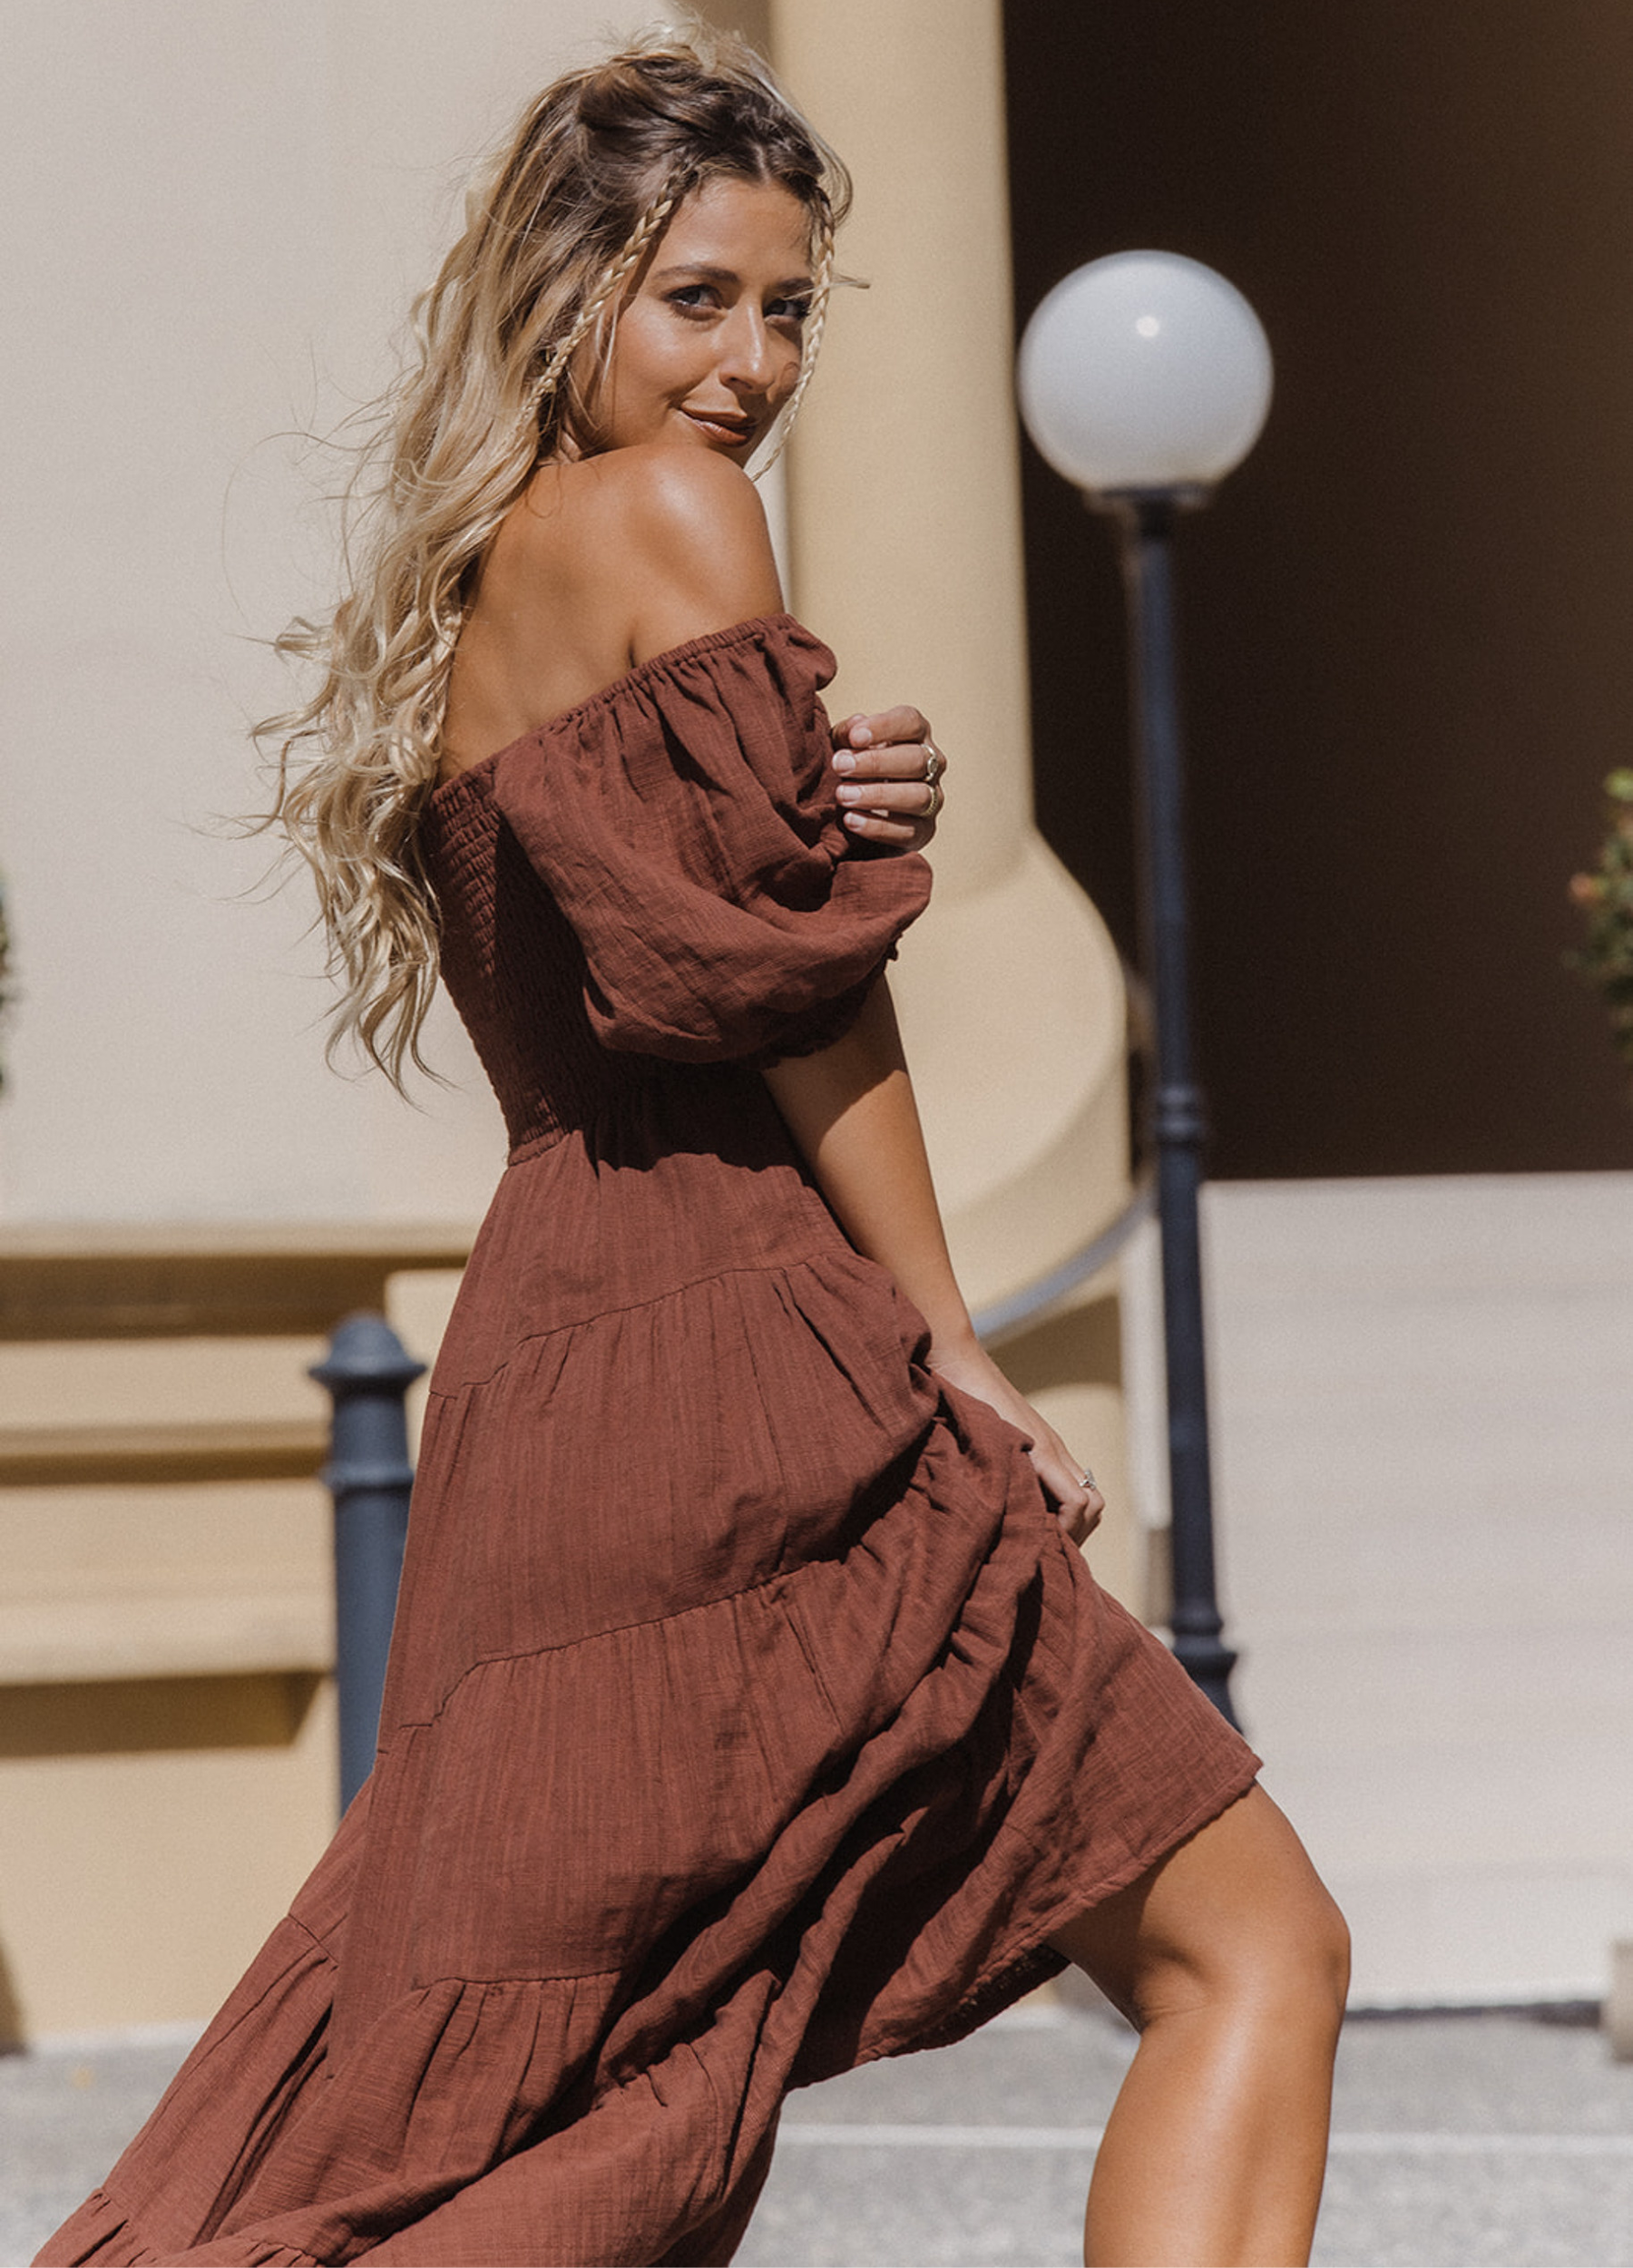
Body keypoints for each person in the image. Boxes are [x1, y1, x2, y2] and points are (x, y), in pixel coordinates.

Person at [38, 25, 1347, 2268]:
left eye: (790, 305)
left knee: (582, 2088)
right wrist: (949, 1335)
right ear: (572, 295)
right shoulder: (672, 514)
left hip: (565, 1364)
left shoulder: (488, 578)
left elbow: (686, 917)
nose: (751, 363)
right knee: (1257, 1949)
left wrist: (822, 815)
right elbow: (784, 998)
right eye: (699, 297)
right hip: (747, 1351)